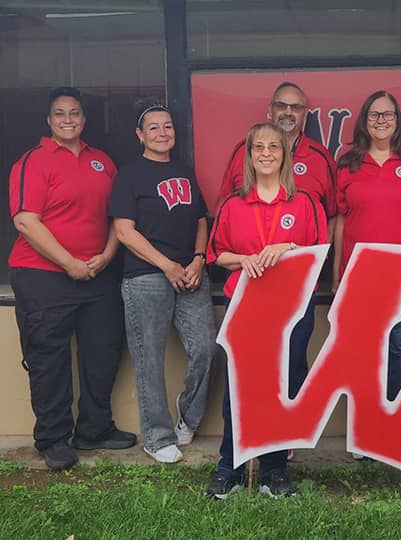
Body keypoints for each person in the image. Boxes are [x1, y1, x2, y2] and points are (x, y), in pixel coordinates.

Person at [8, 86, 136, 471]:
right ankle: (53, 438)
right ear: (49, 120)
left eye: (75, 113)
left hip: (97, 273)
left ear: (84, 118)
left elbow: (120, 215)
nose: (68, 119)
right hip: (43, 275)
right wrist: (69, 263)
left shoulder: (102, 161)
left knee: (102, 353)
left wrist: (108, 255)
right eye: (60, 113)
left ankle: (94, 429)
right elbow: (26, 221)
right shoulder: (33, 161)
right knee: (49, 360)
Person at [205, 122, 327, 499]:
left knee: (284, 386)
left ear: (284, 154)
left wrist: (289, 246)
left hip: (292, 310)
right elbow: (216, 254)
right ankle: (231, 466)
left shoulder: (304, 203)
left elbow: (319, 253)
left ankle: (275, 470)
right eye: (258, 147)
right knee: (238, 388)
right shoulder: (233, 204)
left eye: (274, 146)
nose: (267, 153)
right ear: (249, 155)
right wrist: (244, 260)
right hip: (245, 307)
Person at [109, 102, 217, 464]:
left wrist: (198, 259)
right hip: (145, 277)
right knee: (148, 360)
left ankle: (188, 415)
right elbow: (124, 231)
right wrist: (167, 265)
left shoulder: (184, 172)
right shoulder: (129, 175)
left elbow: (201, 219)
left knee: (205, 347)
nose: (162, 133)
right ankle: (156, 437)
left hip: (191, 274)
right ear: (140, 135)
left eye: (167, 127)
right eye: (153, 128)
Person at [333, 90, 401, 408]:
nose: (381, 121)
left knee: (399, 345)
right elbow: (339, 221)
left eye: (388, 114)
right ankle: (364, 424)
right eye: (374, 114)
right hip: (359, 272)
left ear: (397, 121)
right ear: (364, 121)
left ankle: (396, 424)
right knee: (363, 347)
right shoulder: (348, 164)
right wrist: (337, 274)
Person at [216, 81, 336, 237]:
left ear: (305, 113)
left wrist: (319, 256)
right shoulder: (244, 151)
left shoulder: (320, 158)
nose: (288, 112)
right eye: (281, 105)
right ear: (270, 110)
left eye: (296, 107)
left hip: (299, 257)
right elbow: (223, 206)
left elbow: (333, 216)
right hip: (248, 258)